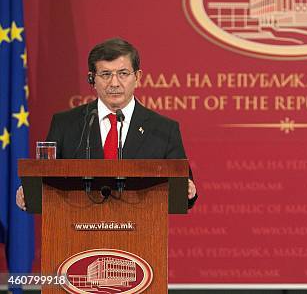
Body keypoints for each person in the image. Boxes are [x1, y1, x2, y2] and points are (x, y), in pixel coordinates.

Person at [16, 38, 198, 210]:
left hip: (140, 235)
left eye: (123, 74)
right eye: (105, 74)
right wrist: (30, 192)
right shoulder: (65, 124)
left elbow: (183, 191)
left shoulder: (164, 129)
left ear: (138, 77)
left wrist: (187, 190)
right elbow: (46, 181)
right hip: (78, 235)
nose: (114, 83)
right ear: (92, 79)